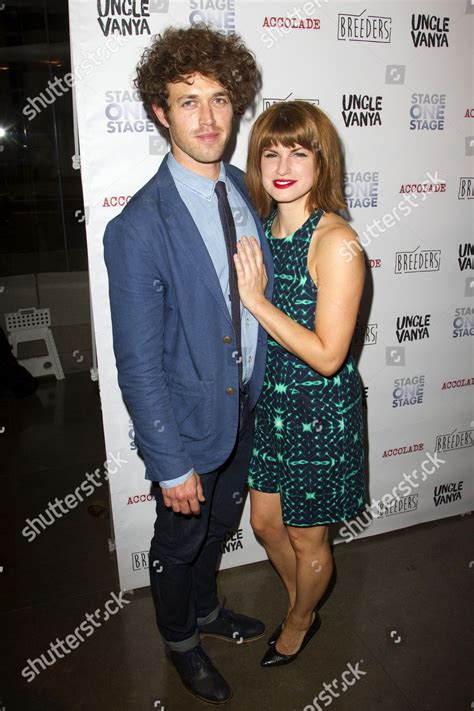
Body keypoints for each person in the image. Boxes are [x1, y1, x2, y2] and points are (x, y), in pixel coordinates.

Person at [103, 25, 274, 705]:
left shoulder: (245, 187)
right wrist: (169, 462)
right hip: (185, 425)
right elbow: (138, 363)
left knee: (218, 526)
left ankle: (207, 611)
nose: (207, 118)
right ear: (159, 111)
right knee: (179, 541)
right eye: (187, 100)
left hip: (244, 408)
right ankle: (180, 642)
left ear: (237, 107)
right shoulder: (139, 226)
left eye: (220, 99)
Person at [233, 100, 366, 667]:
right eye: (271, 151)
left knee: (310, 538)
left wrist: (257, 303)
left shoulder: (336, 242)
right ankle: (301, 601)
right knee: (265, 523)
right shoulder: (262, 229)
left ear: (321, 161)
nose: (283, 163)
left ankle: (300, 619)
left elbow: (329, 355)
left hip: (317, 409)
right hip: (273, 405)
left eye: (299, 151)